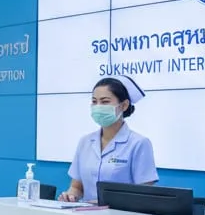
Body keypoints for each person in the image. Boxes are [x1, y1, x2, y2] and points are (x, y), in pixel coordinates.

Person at [59, 75, 158, 203]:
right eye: (94, 101)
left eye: (105, 102)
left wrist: (105, 202)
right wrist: (71, 196)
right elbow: (76, 187)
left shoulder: (139, 143)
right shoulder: (85, 142)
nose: (98, 106)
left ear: (124, 105)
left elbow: (144, 195)